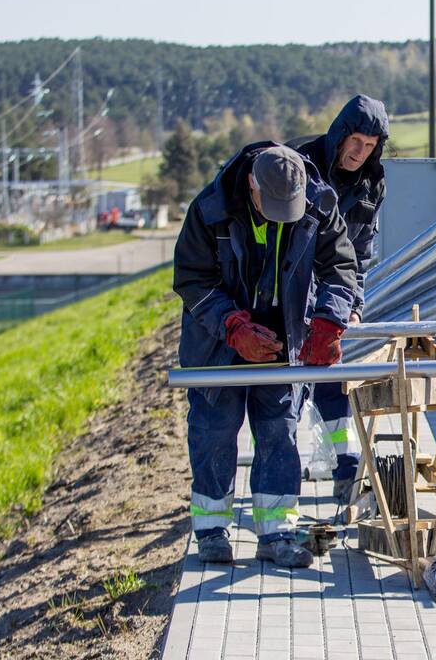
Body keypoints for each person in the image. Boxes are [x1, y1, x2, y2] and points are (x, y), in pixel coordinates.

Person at [173, 142, 358, 567]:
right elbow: (193, 280)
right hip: (219, 343)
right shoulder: (210, 208)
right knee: (215, 431)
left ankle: (276, 534)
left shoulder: (316, 200)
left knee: (278, 430)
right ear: (253, 185)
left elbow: (342, 266)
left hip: (281, 337)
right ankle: (211, 531)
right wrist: (232, 326)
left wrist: (329, 321)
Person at [293, 95, 389, 502]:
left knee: (336, 385)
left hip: (336, 295)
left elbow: (362, 253)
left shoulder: (372, 183)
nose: (359, 153)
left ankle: (347, 475)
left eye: (369, 146)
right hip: (293, 294)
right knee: (288, 390)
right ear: (339, 134)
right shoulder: (303, 164)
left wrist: (354, 306)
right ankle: (282, 481)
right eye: (355, 142)